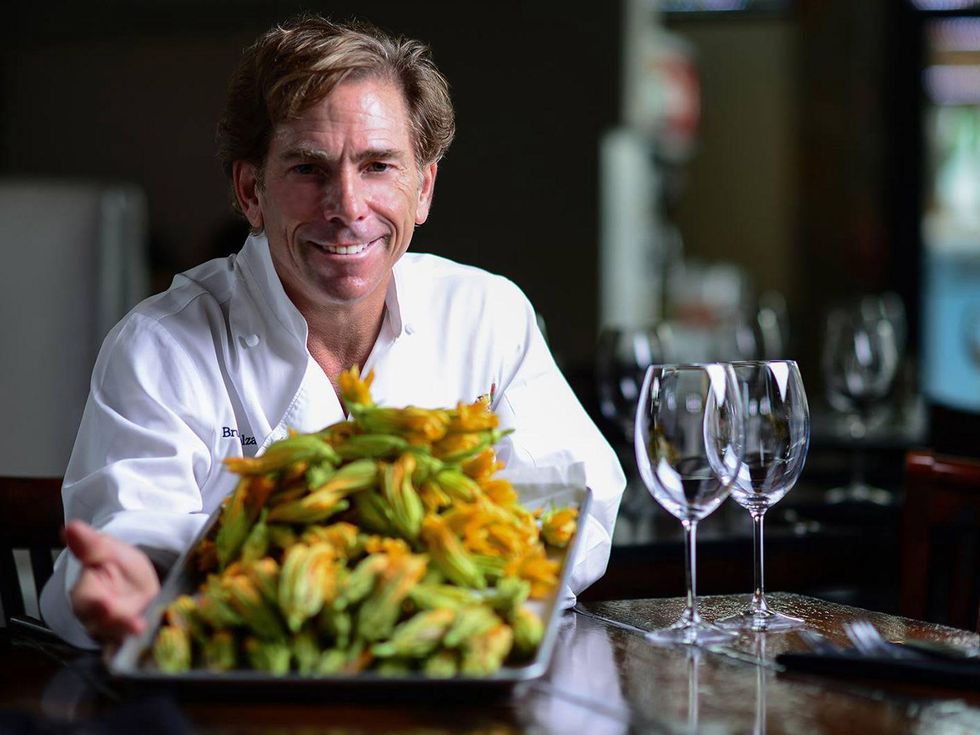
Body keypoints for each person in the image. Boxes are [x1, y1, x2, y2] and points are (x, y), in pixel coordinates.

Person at [40, 15, 625, 650]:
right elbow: (124, 546)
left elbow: (577, 508)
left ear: (423, 187)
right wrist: (124, 586)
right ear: (251, 191)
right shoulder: (160, 345)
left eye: (378, 166)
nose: (347, 207)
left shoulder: (488, 313)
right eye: (308, 170)